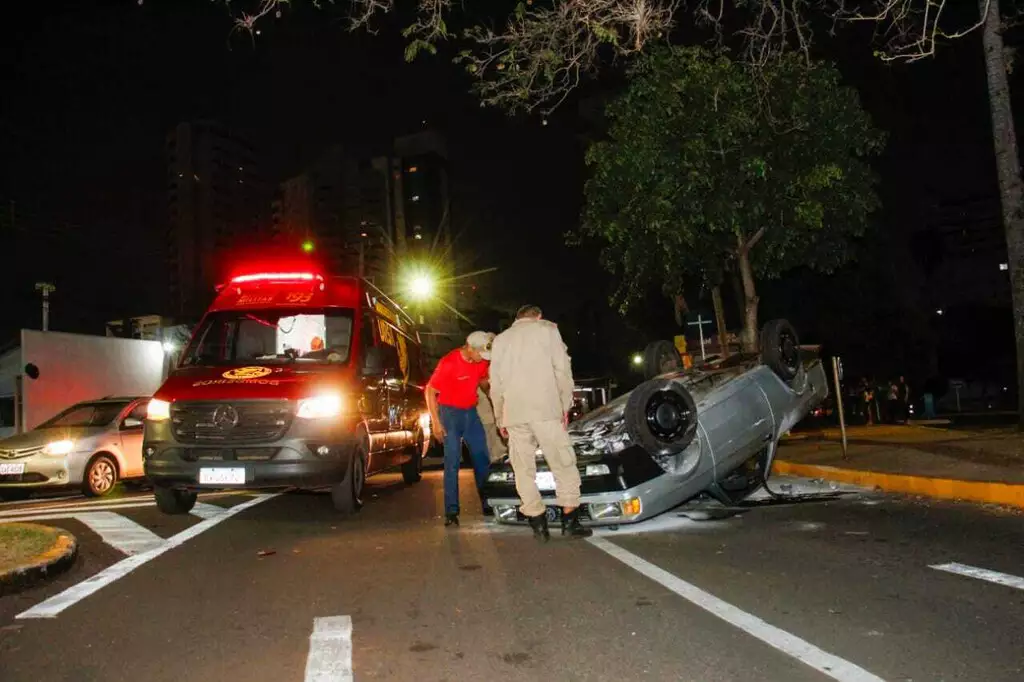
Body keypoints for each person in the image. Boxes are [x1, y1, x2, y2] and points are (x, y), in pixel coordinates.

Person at [490, 305, 591, 541]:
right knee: (562, 462)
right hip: (545, 409)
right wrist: (564, 405)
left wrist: (499, 417)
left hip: (514, 413)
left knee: (523, 470)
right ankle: (570, 519)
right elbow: (562, 371)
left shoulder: (501, 340)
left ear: (517, 319)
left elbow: (495, 383)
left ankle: (538, 522)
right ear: (539, 316)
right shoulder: (548, 331)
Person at [426, 331, 493, 527]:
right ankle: (451, 510)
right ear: (469, 348)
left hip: (471, 413)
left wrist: (493, 397)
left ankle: (488, 503)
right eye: (480, 354)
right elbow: (430, 391)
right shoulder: (449, 362)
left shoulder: (480, 362)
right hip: (450, 414)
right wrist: (436, 422)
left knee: (482, 457)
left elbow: (482, 380)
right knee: (452, 461)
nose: (483, 358)